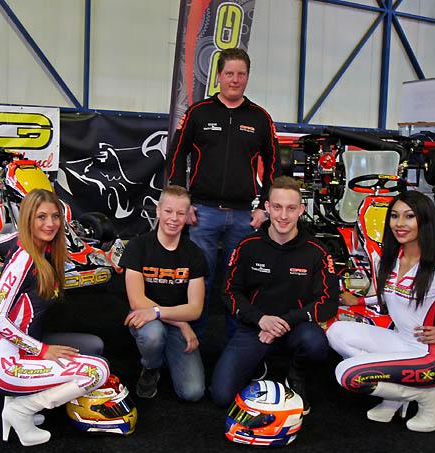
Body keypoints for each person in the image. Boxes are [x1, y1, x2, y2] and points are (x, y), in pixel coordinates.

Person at [327, 190, 435, 432]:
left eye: (409, 216)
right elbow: (391, 294)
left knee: (346, 374)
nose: (399, 223)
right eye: (394, 216)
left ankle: (428, 397)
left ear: (425, 221)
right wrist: (359, 302)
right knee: (336, 331)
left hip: (434, 357)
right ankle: (395, 395)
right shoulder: (392, 258)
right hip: (401, 341)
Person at [166, 47, 279, 338]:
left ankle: (236, 346)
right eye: (229, 73)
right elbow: (176, 155)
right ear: (218, 76)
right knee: (199, 281)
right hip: (202, 214)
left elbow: (274, 164)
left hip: (244, 217)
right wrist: (183, 203)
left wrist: (264, 207)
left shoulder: (260, 118)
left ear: (248, 77)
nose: (235, 80)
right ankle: (193, 344)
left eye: (241, 74)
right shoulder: (198, 112)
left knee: (238, 284)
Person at [0, 189, 110, 446]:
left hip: (27, 347)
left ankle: (17, 404)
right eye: (41, 217)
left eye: (55, 216)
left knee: (93, 346)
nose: (50, 224)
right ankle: (22, 410)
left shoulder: (45, 250)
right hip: (6, 363)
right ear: (28, 219)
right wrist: (42, 350)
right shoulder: (24, 258)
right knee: (98, 371)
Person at [209, 176, 339, 413]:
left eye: (291, 208)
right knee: (221, 395)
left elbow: (328, 303)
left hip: (297, 328)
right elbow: (229, 292)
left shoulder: (317, 252)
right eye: (277, 207)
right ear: (267, 207)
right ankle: (260, 364)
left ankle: (296, 376)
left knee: (315, 343)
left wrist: (284, 322)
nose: (283, 215)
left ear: (301, 210)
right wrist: (260, 319)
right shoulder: (247, 245)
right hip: (256, 328)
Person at [120, 185, 208, 401]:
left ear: (187, 216)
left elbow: (195, 309)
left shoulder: (194, 254)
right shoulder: (138, 246)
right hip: (146, 319)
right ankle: (151, 367)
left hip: (168, 319)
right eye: (168, 211)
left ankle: (167, 353)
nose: (174, 218)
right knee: (153, 335)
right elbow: (137, 301)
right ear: (158, 211)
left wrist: (160, 313)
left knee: (193, 392)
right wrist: (181, 323)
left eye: (180, 213)